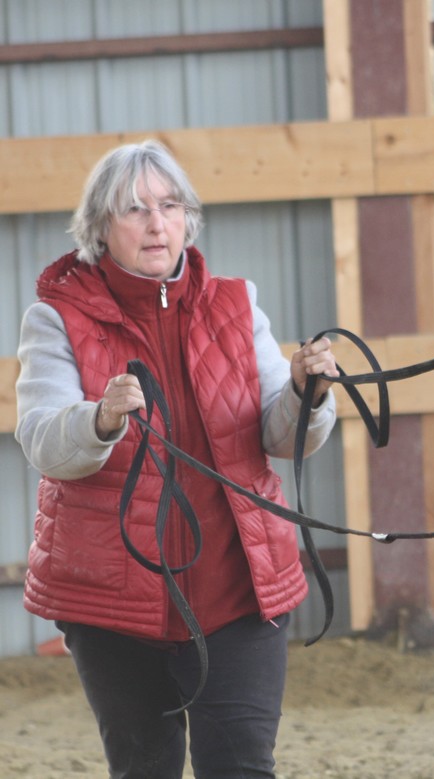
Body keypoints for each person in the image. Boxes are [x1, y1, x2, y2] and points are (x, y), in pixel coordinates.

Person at [15, 139, 340, 778]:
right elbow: (42, 442)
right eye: (134, 209)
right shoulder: (55, 318)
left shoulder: (237, 304)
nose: (156, 223)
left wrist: (308, 393)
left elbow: (283, 437)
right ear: (100, 229)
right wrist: (101, 418)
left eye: (169, 206)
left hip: (237, 591)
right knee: (143, 772)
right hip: (112, 603)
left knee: (244, 766)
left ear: (189, 218)